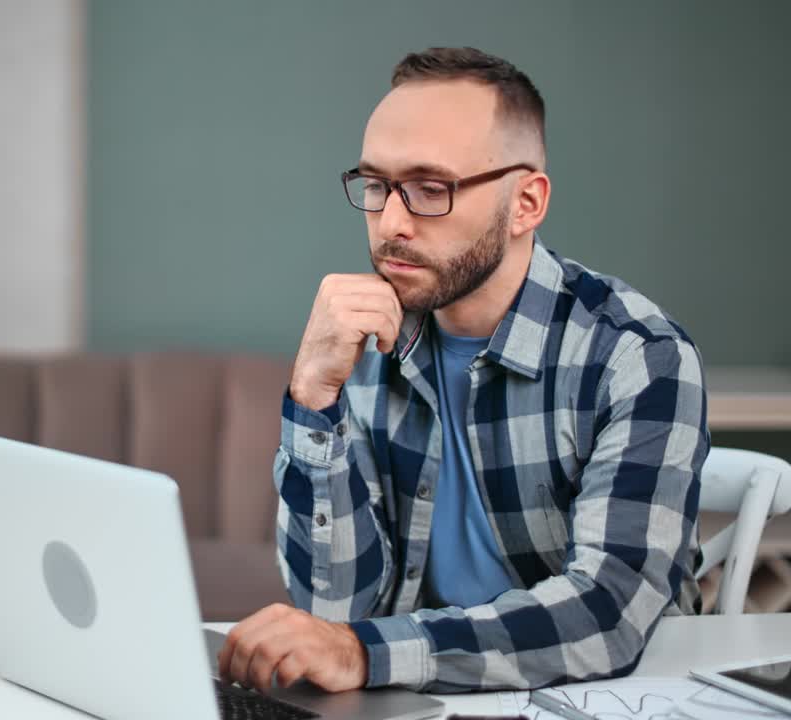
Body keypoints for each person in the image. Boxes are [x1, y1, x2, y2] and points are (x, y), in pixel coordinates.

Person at [217, 46, 708, 694]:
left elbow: (606, 617)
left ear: (526, 203)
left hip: (601, 700)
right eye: (375, 185)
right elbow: (332, 613)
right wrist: (314, 396)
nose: (390, 223)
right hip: (421, 697)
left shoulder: (636, 356)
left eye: (430, 189)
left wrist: (366, 653)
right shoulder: (368, 342)